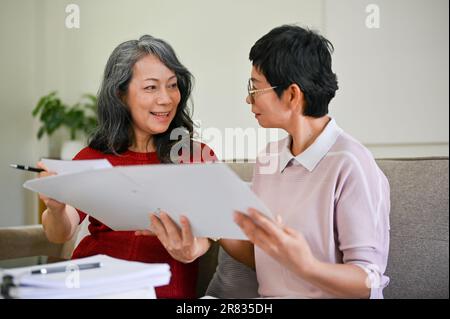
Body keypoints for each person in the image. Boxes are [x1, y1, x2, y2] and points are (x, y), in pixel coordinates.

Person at [146, 25, 390, 299]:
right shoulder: (269, 159)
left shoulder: (351, 164)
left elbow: (368, 281)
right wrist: (212, 222)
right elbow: (263, 258)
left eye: (256, 87)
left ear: (292, 95)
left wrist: (307, 266)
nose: (248, 98)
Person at [37, 35, 216, 299]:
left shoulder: (195, 157)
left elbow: (210, 230)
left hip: (159, 290)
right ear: (120, 94)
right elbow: (60, 233)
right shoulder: (91, 157)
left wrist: (193, 249)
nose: (166, 99)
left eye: (172, 85)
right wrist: (55, 208)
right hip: (90, 285)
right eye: (151, 87)